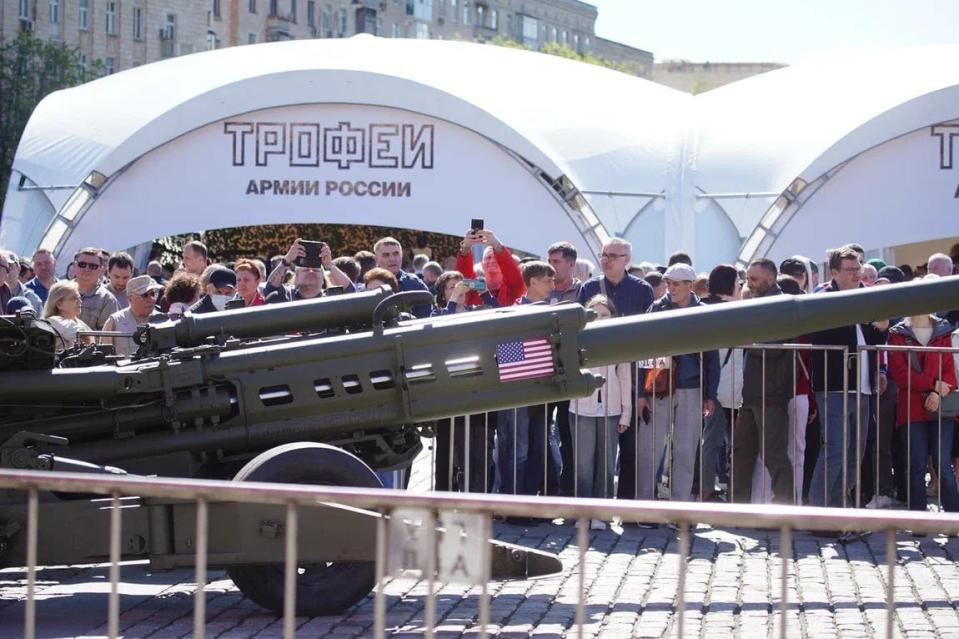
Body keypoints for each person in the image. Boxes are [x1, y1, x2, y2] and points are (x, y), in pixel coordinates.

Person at [808, 247, 886, 512]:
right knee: (835, 450)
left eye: (859, 268)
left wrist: (881, 328)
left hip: (862, 386)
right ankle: (820, 511)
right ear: (834, 273)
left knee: (856, 453)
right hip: (834, 386)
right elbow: (821, 337)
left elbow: (872, 340)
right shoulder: (822, 299)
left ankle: (842, 506)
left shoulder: (865, 296)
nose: (857, 274)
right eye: (851, 270)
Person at [577, 237, 654, 501]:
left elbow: (649, 341)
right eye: (603, 254)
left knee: (630, 448)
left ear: (626, 260)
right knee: (588, 452)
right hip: (597, 378)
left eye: (613, 255)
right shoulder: (588, 288)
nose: (606, 259)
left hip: (631, 376)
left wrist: (645, 386)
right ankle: (587, 504)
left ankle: (626, 507)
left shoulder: (642, 290)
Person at [638, 262, 720, 504]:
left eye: (676, 284)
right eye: (668, 283)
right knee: (650, 449)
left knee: (685, 451)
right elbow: (643, 351)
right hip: (658, 387)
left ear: (690, 286)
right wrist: (641, 392)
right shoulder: (656, 308)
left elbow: (712, 357)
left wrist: (710, 395)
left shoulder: (704, 313)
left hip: (692, 388)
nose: (670, 288)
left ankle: (680, 506)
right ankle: (642, 506)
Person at [887, 289, 958, 513]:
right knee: (916, 465)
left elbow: (949, 373)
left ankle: (954, 518)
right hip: (912, 408)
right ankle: (918, 518)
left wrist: (937, 393)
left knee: (943, 465)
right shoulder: (897, 334)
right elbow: (899, 373)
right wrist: (933, 385)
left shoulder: (943, 331)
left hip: (941, 407)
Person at [733, 259, 795, 505]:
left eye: (754, 279)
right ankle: (738, 507)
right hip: (752, 393)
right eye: (748, 278)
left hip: (772, 393)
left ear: (770, 280)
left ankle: (785, 507)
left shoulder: (780, 306)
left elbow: (774, 347)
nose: (749, 283)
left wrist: (746, 337)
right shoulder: (757, 303)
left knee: (774, 455)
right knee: (742, 452)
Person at [570, 295, 632, 530]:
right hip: (581, 408)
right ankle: (583, 513)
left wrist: (626, 413)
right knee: (583, 464)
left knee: (606, 464)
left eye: (605, 314)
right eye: (595, 314)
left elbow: (625, 379)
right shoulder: (577, 340)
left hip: (611, 408)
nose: (600, 318)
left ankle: (602, 514)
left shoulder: (619, 342)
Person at [455, 228, 526, 308]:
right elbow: (462, 276)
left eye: (495, 257)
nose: (492, 261)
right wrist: (466, 247)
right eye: (488, 258)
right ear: (482, 264)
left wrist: (496, 244)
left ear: (501, 262)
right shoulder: (474, 286)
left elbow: (513, 273)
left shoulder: (511, 289)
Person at [265, 239, 354, 302]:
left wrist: (329, 265)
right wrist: (286, 260)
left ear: (323, 279)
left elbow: (351, 292)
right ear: (296, 277)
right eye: (306, 270)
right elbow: (270, 289)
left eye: (316, 270)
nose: (311, 271)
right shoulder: (286, 296)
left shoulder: (332, 298)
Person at [102, 275, 164, 356]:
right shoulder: (115, 321)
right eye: (144, 295)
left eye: (153, 294)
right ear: (130, 298)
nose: (151, 299)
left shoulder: (163, 320)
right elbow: (105, 357)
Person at [373, 237, 431, 317]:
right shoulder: (369, 286)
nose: (392, 259)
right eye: (386, 255)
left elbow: (425, 319)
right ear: (376, 259)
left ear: (401, 256)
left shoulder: (415, 285)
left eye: (396, 254)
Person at [73, 247, 119, 330]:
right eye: (82, 264)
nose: (87, 269)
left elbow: (107, 336)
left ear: (101, 269)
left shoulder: (107, 300)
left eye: (93, 266)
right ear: (75, 265)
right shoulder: (59, 291)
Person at [42, 280, 94, 351]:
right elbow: (83, 337)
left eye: (79, 297)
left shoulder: (79, 322)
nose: (80, 301)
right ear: (59, 304)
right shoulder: (52, 321)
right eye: (74, 298)